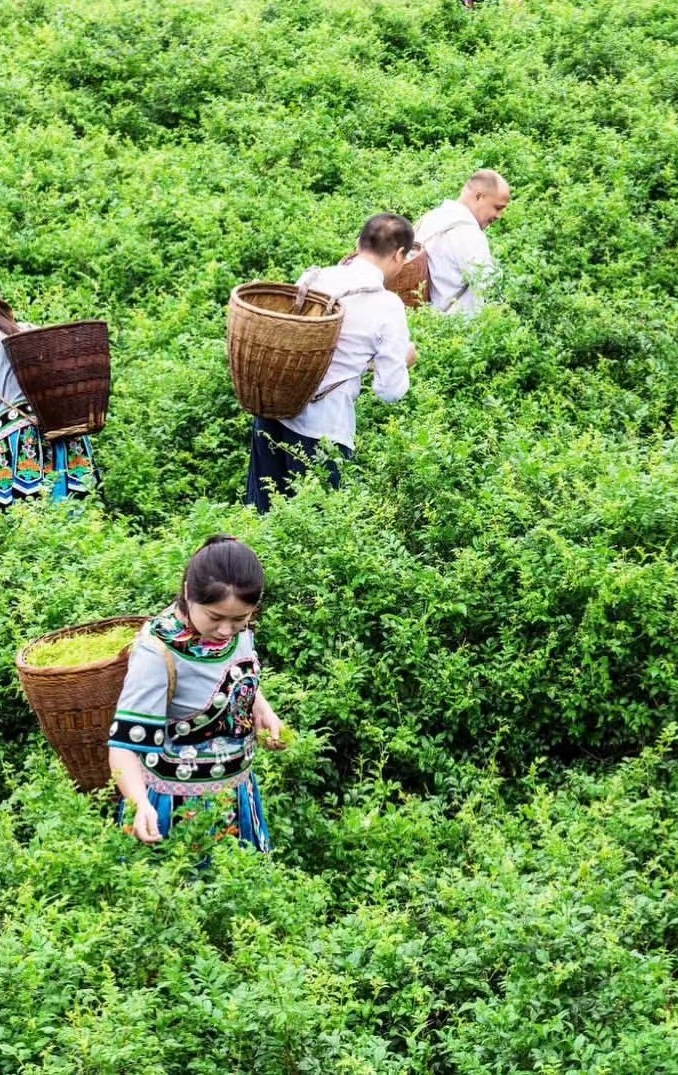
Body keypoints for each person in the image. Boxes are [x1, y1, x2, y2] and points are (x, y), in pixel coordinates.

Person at [108, 535, 285, 846]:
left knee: (240, 887)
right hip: (176, 807)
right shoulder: (158, 652)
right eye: (215, 617)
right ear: (189, 592)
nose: (226, 630)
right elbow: (123, 745)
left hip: (235, 797)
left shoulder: (238, 632)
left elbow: (236, 675)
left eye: (240, 619)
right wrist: (140, 804)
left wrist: (263, 710)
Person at [245, 213, 418, 513]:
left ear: (358, 243)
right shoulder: (387, 306)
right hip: (323, 429)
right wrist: (404, 361)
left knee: (261, 520)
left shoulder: (314, 278)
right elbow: (389, 391)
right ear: (400, 254)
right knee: (318, 532)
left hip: (272, 411)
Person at [0, 269, 100, 512]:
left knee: (18, 525)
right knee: (73, 525)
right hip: (66, 435)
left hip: (20, 441)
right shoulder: (30, 329)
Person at [414, 169, 511, 314]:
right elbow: (489, 284)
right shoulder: (470, 235)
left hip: (425, 322)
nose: (498, 216)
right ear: (479, 197)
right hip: (458, 327)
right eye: (497, 208)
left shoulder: (430, 219)